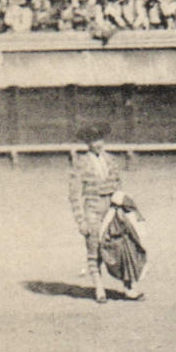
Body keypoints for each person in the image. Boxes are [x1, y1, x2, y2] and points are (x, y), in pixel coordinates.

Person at [67, 124, 145, 302]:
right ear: (87, 143)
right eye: (93, 141)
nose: (98, 144)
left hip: (111, 207)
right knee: (94, 247)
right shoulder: (80, 163)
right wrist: (81, 222)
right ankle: (99, 289)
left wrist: (122, 207)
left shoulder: (111, 160)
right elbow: (74, 195)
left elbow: (119, 187)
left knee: (122, 246)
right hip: (93, 208)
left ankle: (129, 288)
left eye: (100, 139)